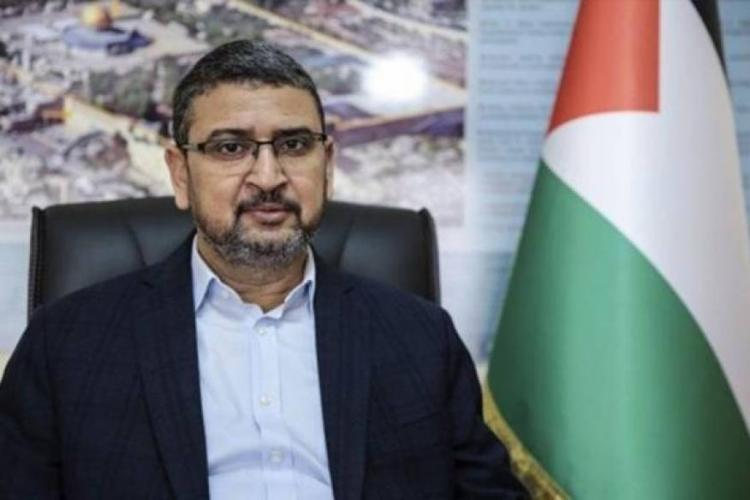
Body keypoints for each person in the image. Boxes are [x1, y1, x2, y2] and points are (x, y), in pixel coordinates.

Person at [0, 40, 527, 499]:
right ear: (180, 174)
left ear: (328, 165)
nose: (269, 177)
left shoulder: (420, 337)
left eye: (294, 145)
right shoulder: (66, 344)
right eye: (231, 148)